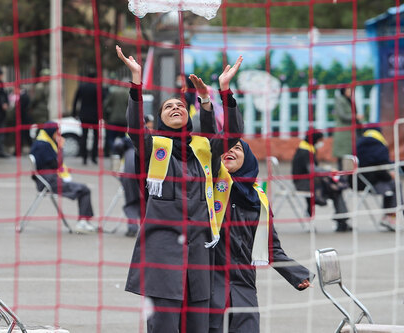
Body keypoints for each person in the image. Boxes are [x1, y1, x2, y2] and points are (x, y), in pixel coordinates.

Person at [117, 44, 244, 333]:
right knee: (164, 326)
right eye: (168, 106)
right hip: (163, 256)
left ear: (189, 115)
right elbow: (135, 128)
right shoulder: (152, 149)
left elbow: (231, 134)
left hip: (198, 255)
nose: (175, 107)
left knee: (198, 327)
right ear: (159, 119)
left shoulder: (203, 151)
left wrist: (221, 92)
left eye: (180, 106)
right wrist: (136, 81)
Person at [210, 139, 313, 333]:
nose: (231, 151)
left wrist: (296, 274)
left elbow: (271, 247)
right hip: (209, 285)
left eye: (237, 148)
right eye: (225, 148)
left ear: (247, 157)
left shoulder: (258, 200)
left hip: (243, 284)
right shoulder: (205, 190)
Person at [30, 123, 97, 233]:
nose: (58, 134)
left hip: (44, 180)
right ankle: (83, 222)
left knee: (83, 189)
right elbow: (57, 164)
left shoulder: (39, 142)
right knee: (85, 189)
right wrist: (60, 148)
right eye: (57, 132)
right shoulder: (45, 145)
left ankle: (84, 221)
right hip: (50, 182)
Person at [292, 132, 352, 232]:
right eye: (320, 140)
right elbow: (312, 169)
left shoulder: (306, 148)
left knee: (336, 188)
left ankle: (342, 220)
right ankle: (342, 220)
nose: (321, 143)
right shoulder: (305, 151)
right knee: (335, 188)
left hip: (310, 181)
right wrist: (328, 171)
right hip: (303, 183)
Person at [355, 127, 401, 231]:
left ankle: (389, 216)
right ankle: (390, 216)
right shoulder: (380, 146)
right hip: (374, 181)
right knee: (395, 186)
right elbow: (382, 170)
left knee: (392, 186)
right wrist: (390, 175)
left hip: (357, 181)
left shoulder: (358, 143)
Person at [72, 70, 101, 165]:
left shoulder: (82, 87)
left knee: (84, 136)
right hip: (95, 116)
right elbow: (101, 102)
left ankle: (84, 157)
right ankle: (94, 157)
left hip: (84, 115)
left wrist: (74, 113)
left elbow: (75, 100)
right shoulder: (97, 88)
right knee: (96, 137)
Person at [333, 87, 363, 171]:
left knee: (350, 153)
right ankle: (341, 173)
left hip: (351, 131)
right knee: (342, 154)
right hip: (344, 131)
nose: (350, 92)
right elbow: (343, 115)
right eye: (348, 90)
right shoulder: (340, 100)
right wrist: (355, 117)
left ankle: (349, 173)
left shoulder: (349, 100)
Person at [103, 85, 128, 155]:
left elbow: (105, 105)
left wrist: (105, 116)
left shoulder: (114, 92)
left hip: (113, 119)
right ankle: (121, 153)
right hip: (124, 120)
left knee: (111, 138)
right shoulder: (127, 94)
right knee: (123, 138)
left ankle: (114, 151)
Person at [0, 69, 10, 158]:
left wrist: (6, 103)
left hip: (2, 114)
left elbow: (4, 96)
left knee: (1, 133)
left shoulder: (1, 85)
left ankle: (1, 150)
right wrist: (2, 104)